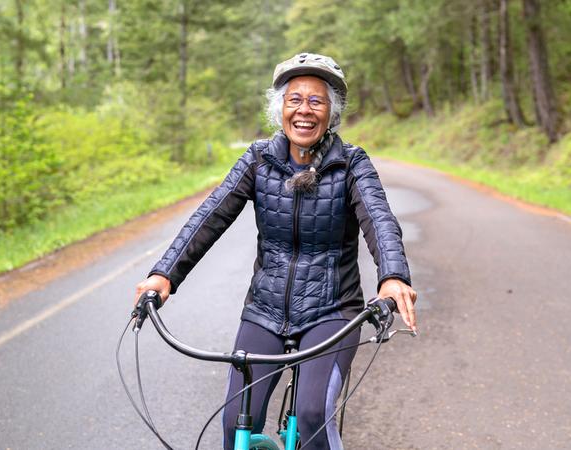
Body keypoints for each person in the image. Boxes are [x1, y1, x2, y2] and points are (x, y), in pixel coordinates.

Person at [134, 52, 417, 449]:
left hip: (332, 311)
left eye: (316, 101)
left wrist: (393, 277)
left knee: (313, 416)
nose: (305, 110)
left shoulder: (351, 164)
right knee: (235, 425)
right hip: (265, 311)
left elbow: (379, 219)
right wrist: (165, 273)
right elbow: (210, 215)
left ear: (331, 113)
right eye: (294, 99)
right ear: (280, 109)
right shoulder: (258, 159)